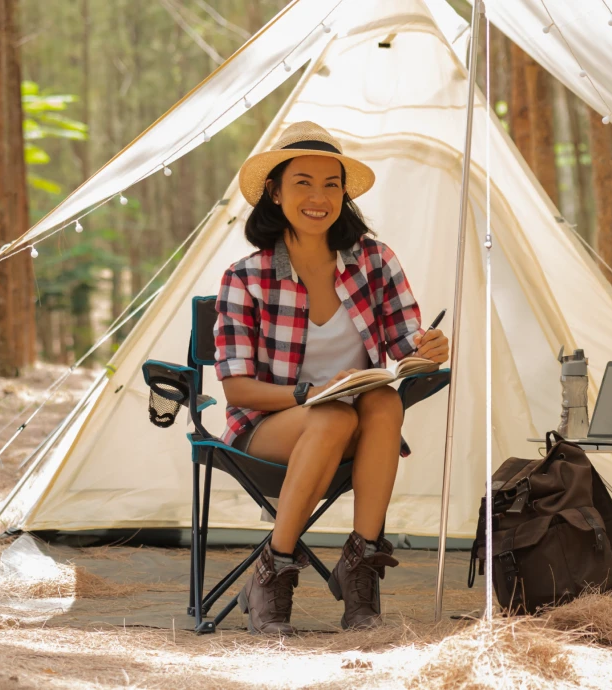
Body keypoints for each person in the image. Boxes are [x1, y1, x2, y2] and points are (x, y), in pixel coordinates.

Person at [214, 121, 450, 635]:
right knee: (330, 416)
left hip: (354, 423)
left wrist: (428, 349)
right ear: (275, 192)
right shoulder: (245, 277)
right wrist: (309, 394)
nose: (319, 197)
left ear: (344, 195)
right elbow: (236, 389)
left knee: (385, 402)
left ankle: (359, 568)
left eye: (331, 184)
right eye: (303, 182)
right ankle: (272, 572)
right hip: (269, 424)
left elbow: (406, 341)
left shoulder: (375, 261)